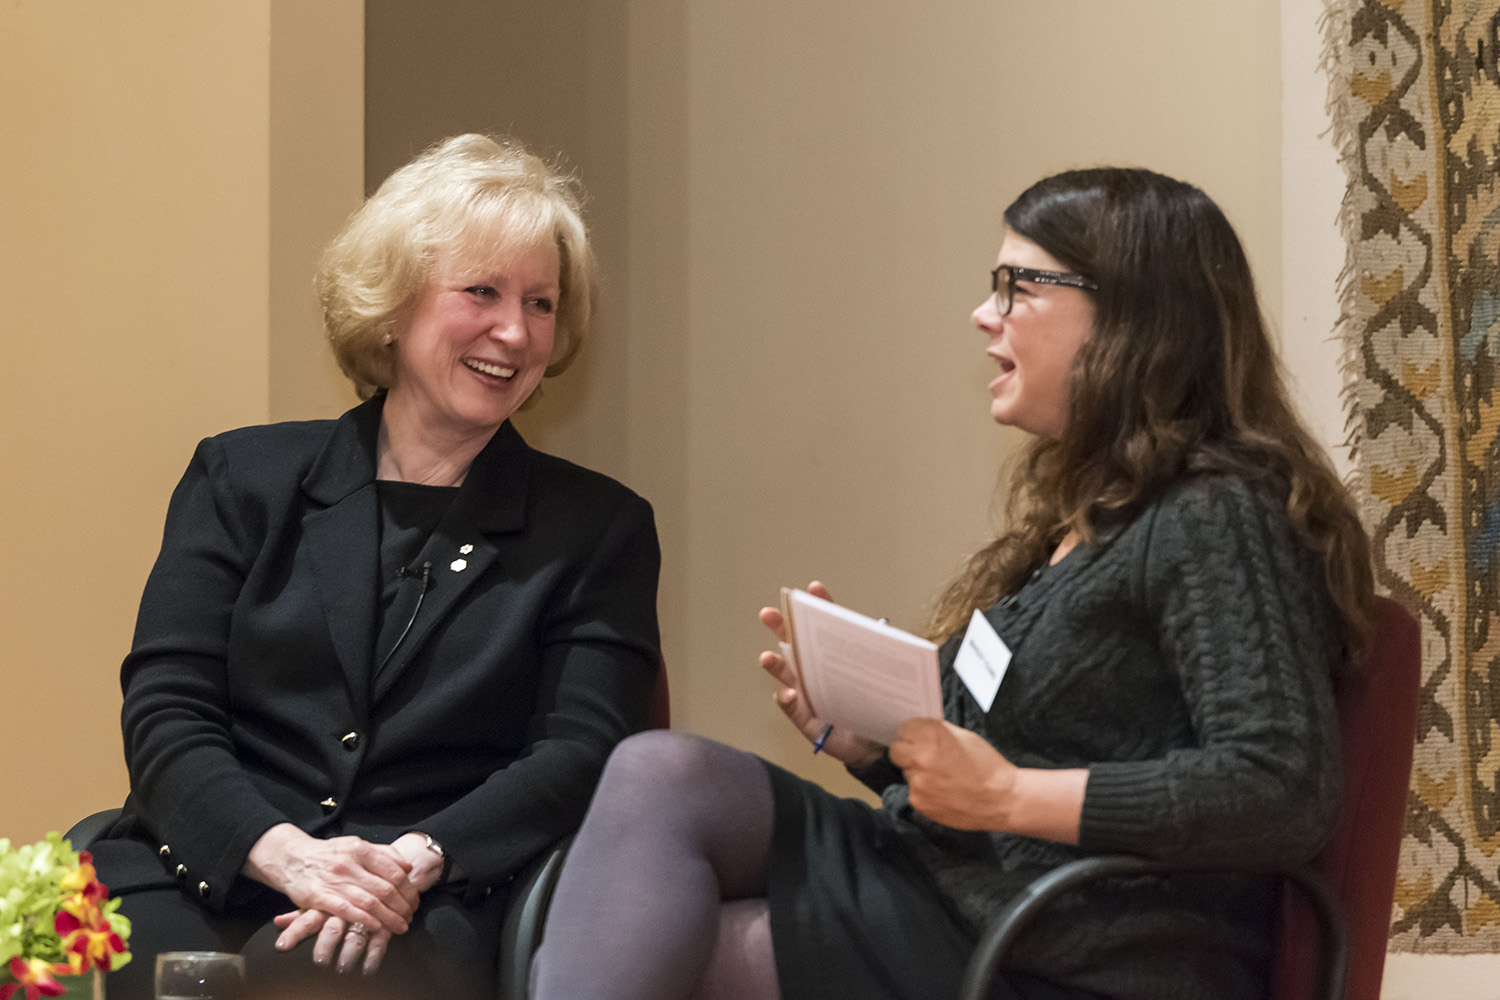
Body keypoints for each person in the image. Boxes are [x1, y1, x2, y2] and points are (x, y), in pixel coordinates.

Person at [529, 167, 1375, 1000]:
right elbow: (1011, 772)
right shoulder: (1089, 519)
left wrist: (1011, 795)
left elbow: (1282, 786)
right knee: (663, 777)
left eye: (1016, 288)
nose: (983, 315)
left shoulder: (1217, 513)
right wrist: (874, 745)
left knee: (691, 944)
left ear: (1127, 316)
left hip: (1074, 950)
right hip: (967, 888)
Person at [89, 133, 661, 1000]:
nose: (514, 330)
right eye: (482, 292)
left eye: (540, 303)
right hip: (208, 862)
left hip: (421, 896)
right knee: (119, 965)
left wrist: (410, 861)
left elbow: (581, 751)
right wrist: (281, 852)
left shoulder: (599, 528)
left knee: (316, 981)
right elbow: (169, 706)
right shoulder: (243, 478)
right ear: (392, 305)